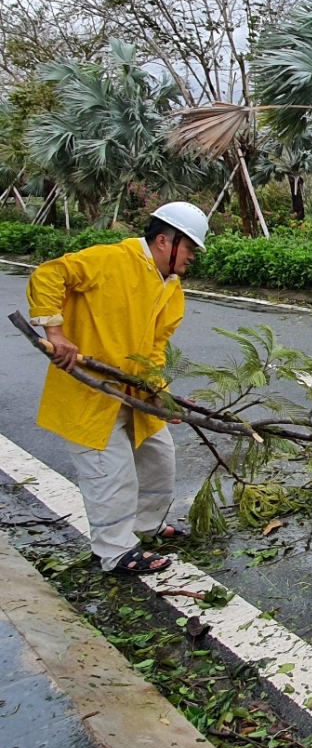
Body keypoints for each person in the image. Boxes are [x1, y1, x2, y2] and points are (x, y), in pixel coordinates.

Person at [26, 202, 208, 573]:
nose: (192, 257)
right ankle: (115, 551)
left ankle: (145, 525)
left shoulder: (171, 290)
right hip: (90, 393)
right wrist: (56, 334)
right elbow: (48, 275)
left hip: (133, 394)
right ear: (164, 241)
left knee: (159, 458)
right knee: (111, 475)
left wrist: (159, 394)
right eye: (190, 248)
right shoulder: (111, 259)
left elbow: (154, 350)